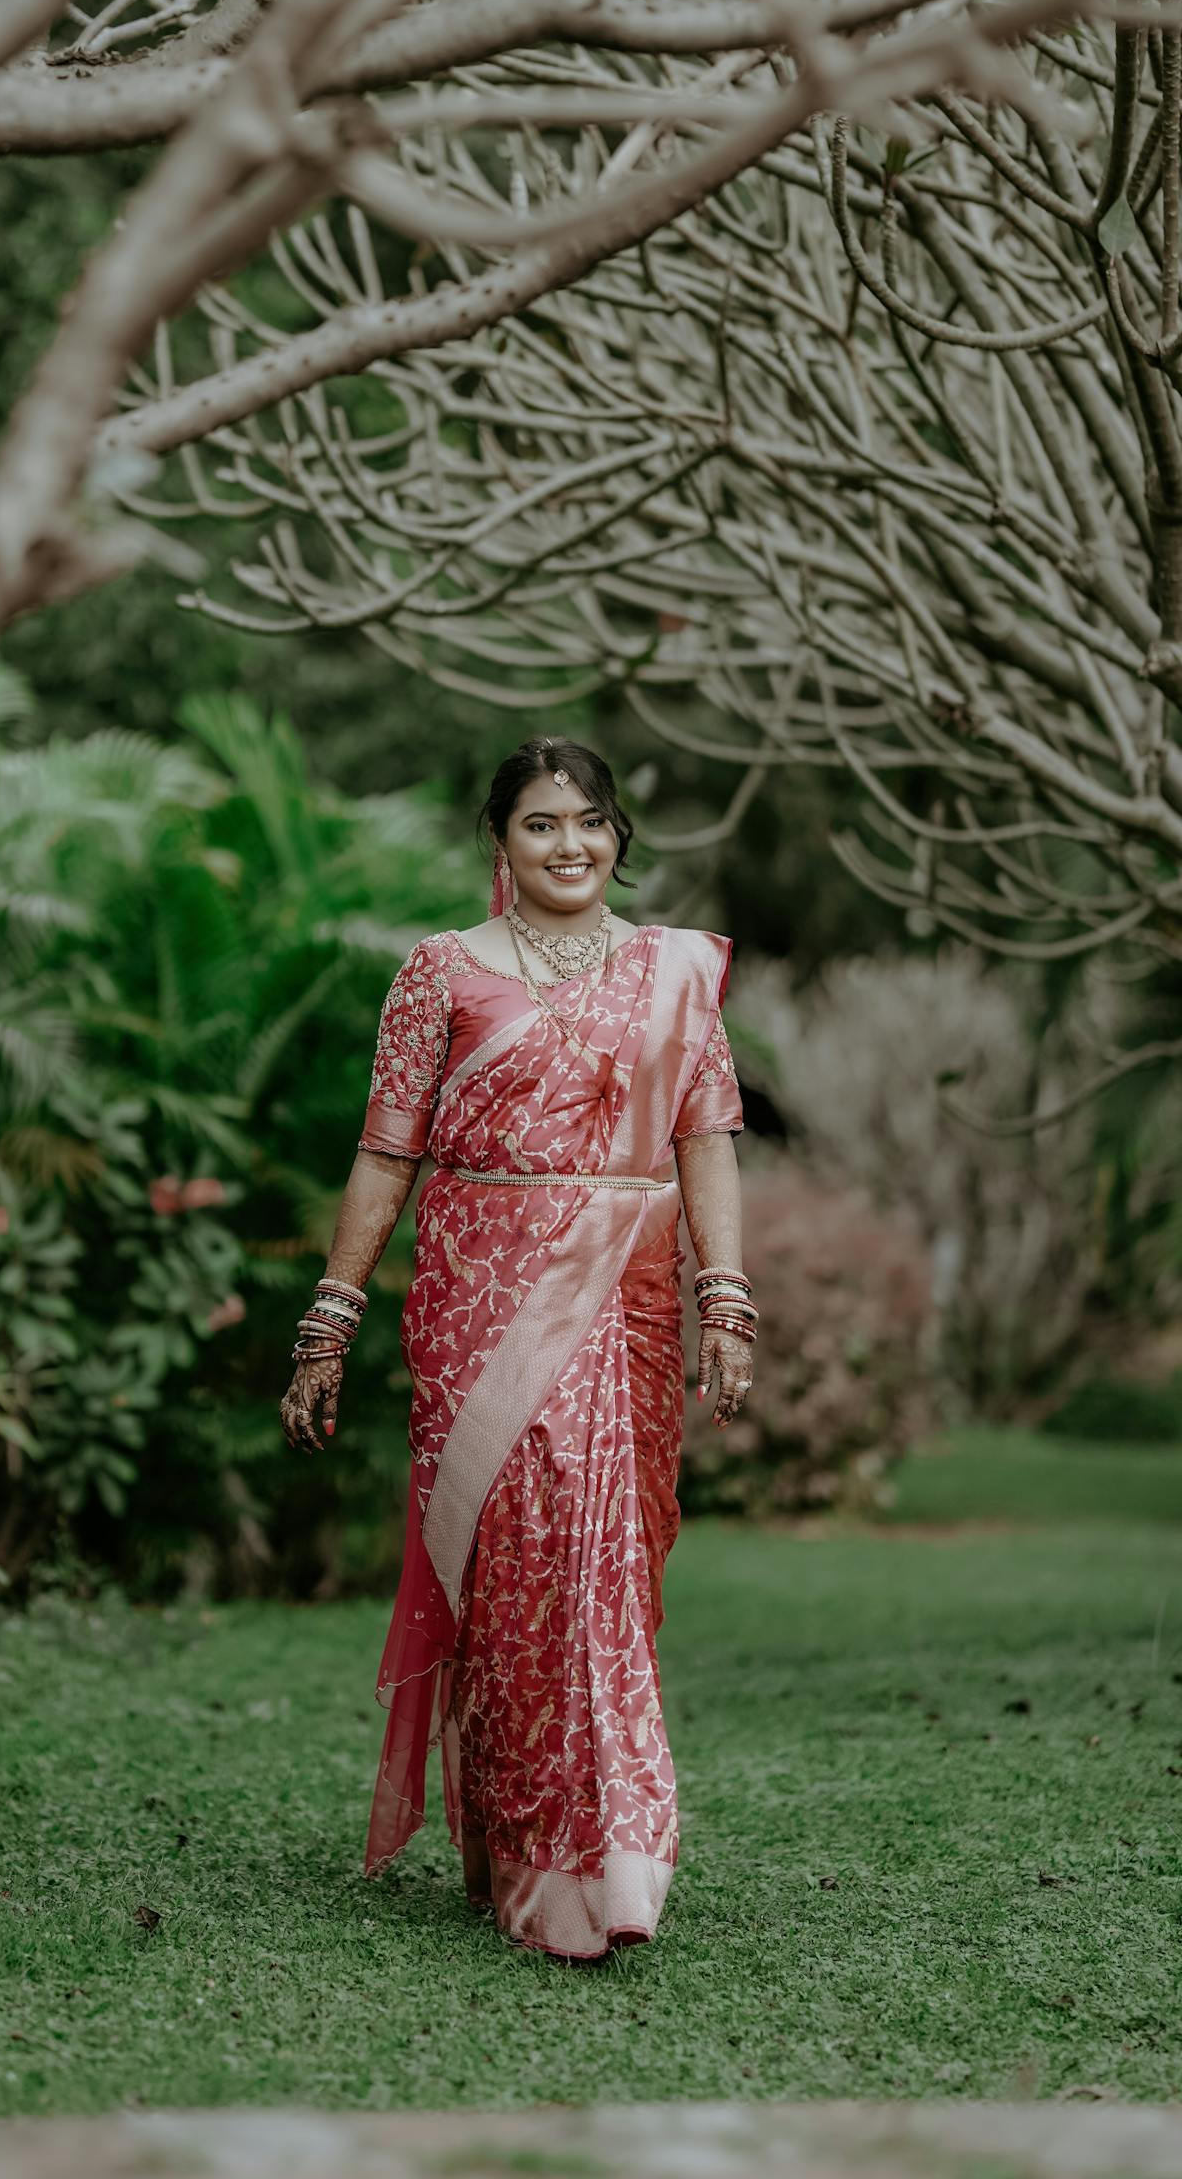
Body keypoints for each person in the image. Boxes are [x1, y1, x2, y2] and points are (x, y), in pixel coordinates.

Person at [279, 734, 752, 1962]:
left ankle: (608, 1860)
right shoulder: (441, 972)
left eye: (590, 821)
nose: (569, 844)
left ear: (619, 838)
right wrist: (332, 1317)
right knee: (515, 1572)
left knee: (600, 1566)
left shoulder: (673, 973)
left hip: (626, 1300)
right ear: (500, 840)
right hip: (477, 1302)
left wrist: (726, 1297)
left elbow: (705, 1137)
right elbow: (387, 1150)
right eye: (541, 822)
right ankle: (521, 1843)